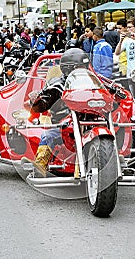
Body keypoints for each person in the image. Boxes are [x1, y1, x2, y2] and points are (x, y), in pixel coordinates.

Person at [21, 48, 90, 177]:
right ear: (68, 68)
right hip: (65, 125)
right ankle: (40, 165)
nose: (83, 70)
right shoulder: (56, 84)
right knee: (48, 136)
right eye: (79, 67)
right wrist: (36, 100)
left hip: (90, 122)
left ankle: (116, 157)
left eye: (85, 67)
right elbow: (41, 106)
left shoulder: (92, 81)